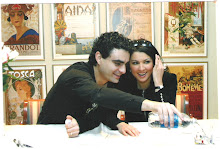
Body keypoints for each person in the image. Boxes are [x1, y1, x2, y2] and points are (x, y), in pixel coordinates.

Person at [37, 32, 182, 138]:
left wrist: (80, 125)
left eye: (125, 65)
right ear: (99, 57)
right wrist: (154, 105)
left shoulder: (110, 79)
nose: (124, 70)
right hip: (47, 136)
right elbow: (99, 95)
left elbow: (99, 114)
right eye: (117, 64)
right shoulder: (76, 75)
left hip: (74, 136)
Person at [114, 39, 177, 126]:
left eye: (146, 62)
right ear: (129, 65)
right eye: (135, 63)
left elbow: (167, 116)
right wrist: (120, 124)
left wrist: (158, 84)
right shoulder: (123, 81)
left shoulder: (169, 79)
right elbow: (109, 112)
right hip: (133, 132)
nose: (141, 68)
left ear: (155, 63)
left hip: (160, 132)